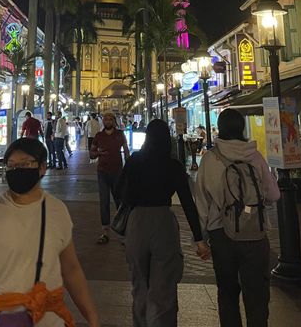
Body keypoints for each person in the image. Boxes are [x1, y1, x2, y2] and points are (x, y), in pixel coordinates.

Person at [0, 137, 100, 327]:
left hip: (49, 319)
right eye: (11, 166)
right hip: (4, 319)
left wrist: (92, 317)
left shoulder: (56, 210)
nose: (17, 170)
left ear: (42, 167)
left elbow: (71, 269)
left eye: (25, 164)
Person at [115, 119, 210, 327]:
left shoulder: (134, 161)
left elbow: (118, 190)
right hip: (163, 223)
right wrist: (198, 238)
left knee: (139, 285)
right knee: (164, 289)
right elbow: (187, 202)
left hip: (137, 222)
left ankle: (141, 322)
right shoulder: (173, 165)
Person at [194, 108, 280, 327]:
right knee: (257, 293)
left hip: (221, 232)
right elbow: (274, 194)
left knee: (227, 291)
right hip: (254, 232)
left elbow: (202, 202)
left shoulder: (210, 159)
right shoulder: (255, 155)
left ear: (220, 128)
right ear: (241, 128)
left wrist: (201, 238)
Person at [89, 112, 129, 244]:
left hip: (118, 172)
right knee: (104, 202)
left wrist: (129, 166)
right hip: (102, 172)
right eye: (105, 119)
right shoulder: (99, 136)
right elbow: (92, 154)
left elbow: (126, 150)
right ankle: (105, 231)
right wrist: (98, 153)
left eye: (110, 119)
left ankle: (123, 232)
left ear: (114, 121)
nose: (107, 121)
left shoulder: (120, 134)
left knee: (120, 201)